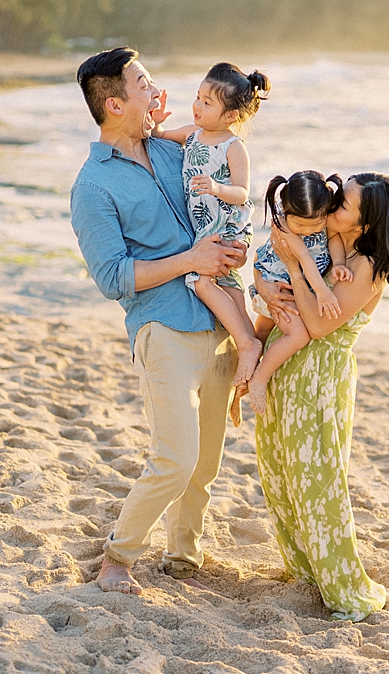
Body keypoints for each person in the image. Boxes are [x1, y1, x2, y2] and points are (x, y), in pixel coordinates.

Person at [69, 47, 247, 596]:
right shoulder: (93, 187)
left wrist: (228, 250)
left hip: (219, 323)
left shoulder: (174, 151)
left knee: (206, 463)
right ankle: (117, 559)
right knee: (175, 457)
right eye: (143, 84)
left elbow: (219, 201)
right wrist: (191, 261)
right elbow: (113, 277)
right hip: (163, 328)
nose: (155, 90)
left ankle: (183, 554)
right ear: (115, 102)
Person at [252, 172, 389, 621]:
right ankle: (306, 571)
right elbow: (270, 260)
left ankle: (342, 584)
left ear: (365, 223)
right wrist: (266, 283)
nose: (333, 204)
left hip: (319, 381)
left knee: (319, 482)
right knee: (282, 475)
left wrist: (292, 264)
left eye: (344, 203)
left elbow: (319, 324)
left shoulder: (366, 267)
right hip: (287, 368)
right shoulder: (323, 238)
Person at [149, 63, 270, 397]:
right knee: (229, 287)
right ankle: (253, 343)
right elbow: (158, 137)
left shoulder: (233, 146)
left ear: (231, 115)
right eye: (197, 98)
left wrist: (217, 187)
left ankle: (246, 343)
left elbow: (243, 193)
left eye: (207, 103)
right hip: (205, 224)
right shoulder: (191, 134)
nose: (197, 106)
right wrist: (157, 123)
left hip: (224, 223)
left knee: (202, 281)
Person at [244, 170, 352, 417]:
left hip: (296, 286)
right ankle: (259, 377)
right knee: (298, 334)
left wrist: (340, 263)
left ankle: (248, 363)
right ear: (285, 209)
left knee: (262, 330)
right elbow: (304, 259)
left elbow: (333, 239)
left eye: (316, 223)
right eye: (301, 224)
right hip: (278, 286)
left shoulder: (322, 218)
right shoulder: (284, 227)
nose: (309, 230)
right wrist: (323, 292)